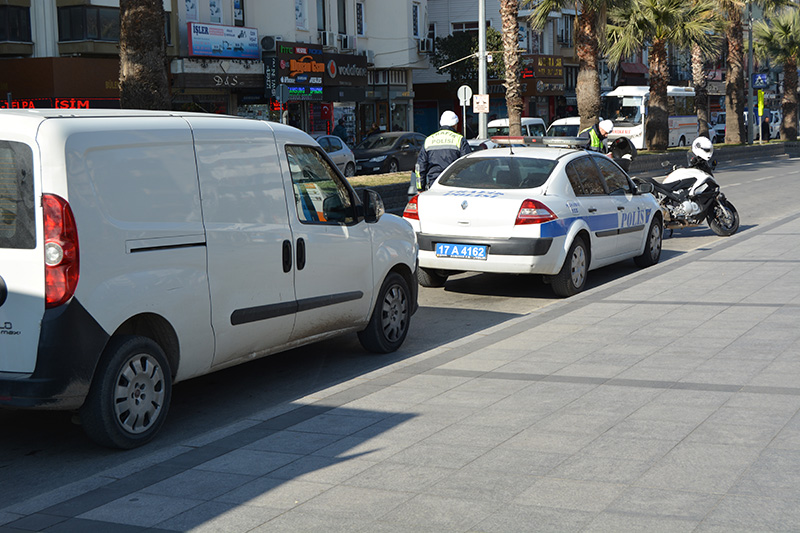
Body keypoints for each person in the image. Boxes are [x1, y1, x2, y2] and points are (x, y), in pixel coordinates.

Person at [413, 110, 471, 192]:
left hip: (434, 184)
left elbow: (420, 167)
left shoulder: (429, 140)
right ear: (455, 125)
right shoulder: (459, 139)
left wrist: (420, 188)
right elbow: (467, 165)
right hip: (455, 184)